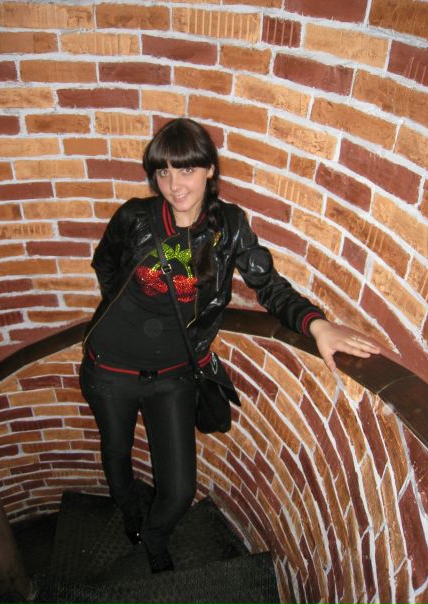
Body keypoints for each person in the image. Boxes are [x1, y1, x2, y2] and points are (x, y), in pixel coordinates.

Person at [79, 118, 379, 573]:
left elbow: (268, 285)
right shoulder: (134, 218)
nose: (175, 185)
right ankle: (131, 515)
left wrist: (316, 324)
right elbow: (105, 265)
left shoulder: (230, 227)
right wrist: (128, 316)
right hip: (110, 369)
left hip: (174, 376)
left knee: (180, 489)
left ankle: (156, 536)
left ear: (210, 170)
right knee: (116, 454)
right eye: (163, 172)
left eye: (186, 170)